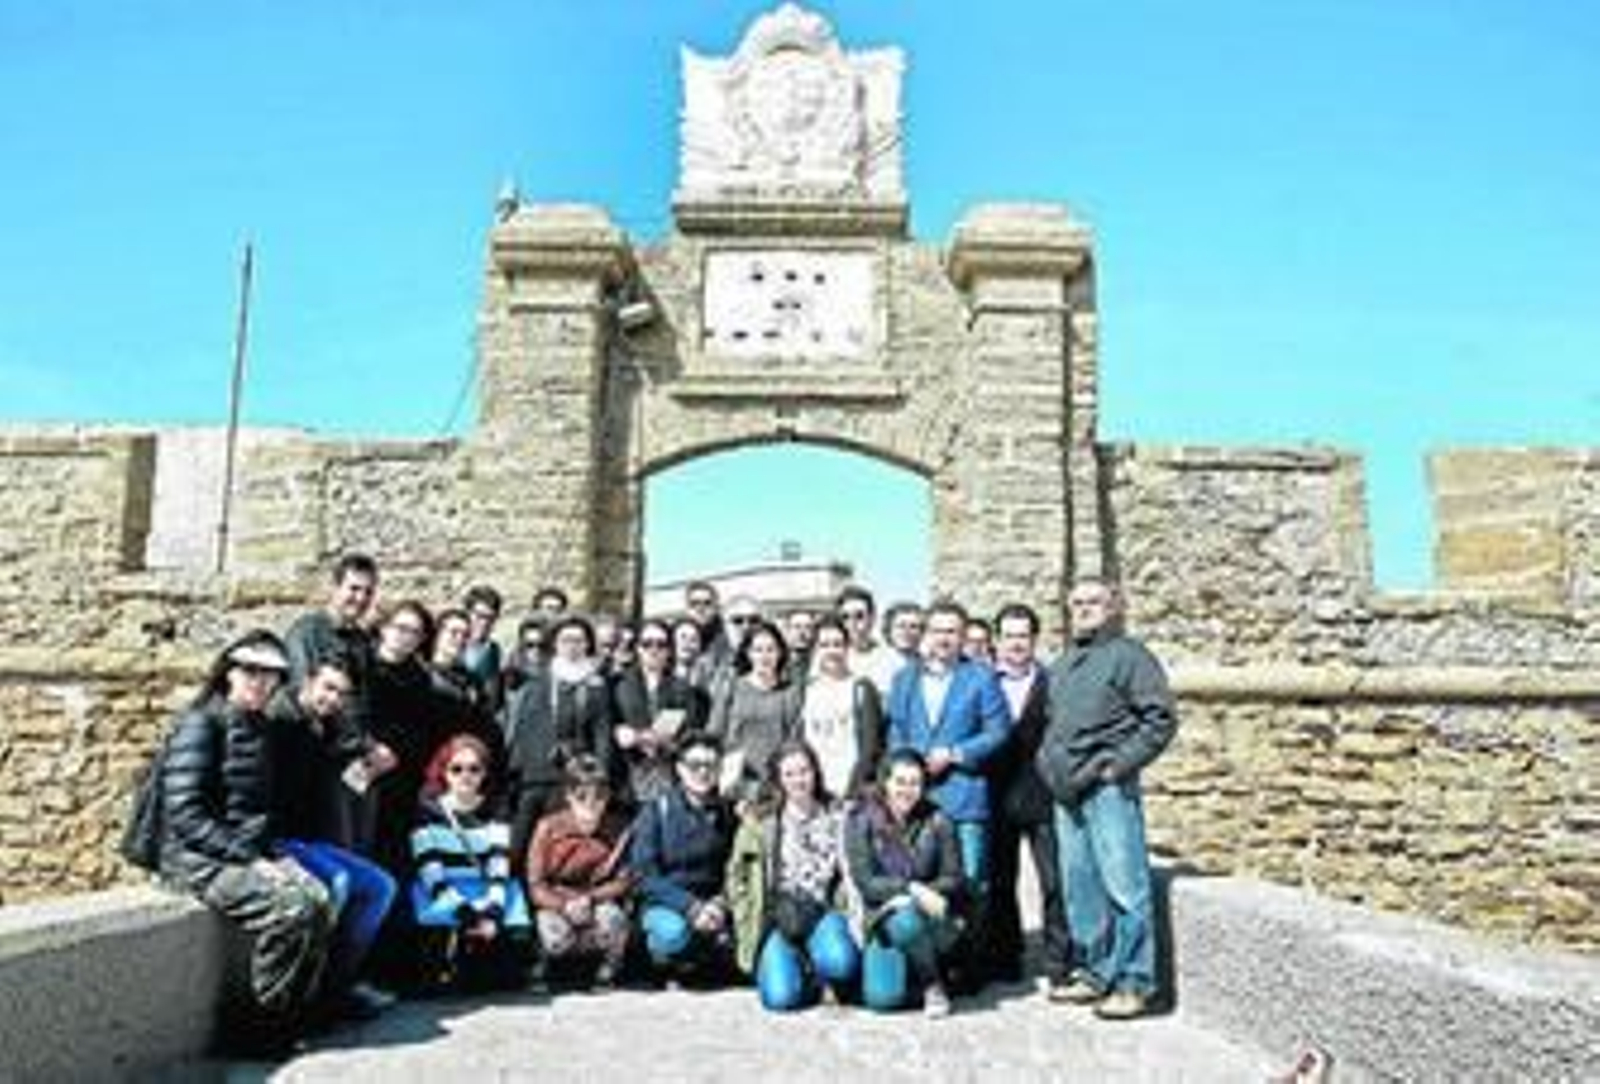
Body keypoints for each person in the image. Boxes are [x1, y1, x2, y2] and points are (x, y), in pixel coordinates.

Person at [158, 631, 334, 1045]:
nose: (261, 682)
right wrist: (251, 860)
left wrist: (271, 854)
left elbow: (254, 812)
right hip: (195, 859)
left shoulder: (259, 726)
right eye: (251, 671)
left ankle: (292, 1015)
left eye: (271, 675)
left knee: (320, 898)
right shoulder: (201, 723)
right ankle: (259, 1027)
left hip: (239, 853)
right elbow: (185, 814)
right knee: (293, 907)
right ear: (228, 673)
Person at [1036, 577, 1178, 1020]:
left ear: (1113, 606)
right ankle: (1096, 972)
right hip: (1067, 793)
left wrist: (1117, 766)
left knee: (1125, 886)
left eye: (1093, 601)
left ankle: (1135, 982)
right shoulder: (1062, 664)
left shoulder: (1131, 656)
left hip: (1107, 789)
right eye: (1076, 602)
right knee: (1082, 891)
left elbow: (1159, 720)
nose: (1083, 609)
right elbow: (1052, 723)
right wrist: (1048, 763)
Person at [884, 599, 1010, 988]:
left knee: (971, 886)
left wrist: (955, 754)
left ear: (961, 636)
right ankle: (930, 967)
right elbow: (896, 731)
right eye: (936, 630)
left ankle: (967, 968)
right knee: (920, 884)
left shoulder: (981, 677)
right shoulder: (905, 678)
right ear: (925, 633)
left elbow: (998, 731)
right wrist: (908, 766)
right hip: (916, 802)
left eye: (952, 631)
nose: (943, 638)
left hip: (964, 797)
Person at [266, 660, 399, 1019]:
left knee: (380, 886)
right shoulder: (278, 721)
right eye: (327, 688)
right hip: (272, 840)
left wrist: (368, 756)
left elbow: (346, 749)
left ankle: (336, 987)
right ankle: (302, 996)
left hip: (307, 838)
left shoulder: (323, 724)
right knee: (336, 884)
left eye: (341, 693)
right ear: (307, 682)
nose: (334, 698)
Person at [726, 741, 859, 1012]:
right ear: (778, 779)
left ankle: (819, 967)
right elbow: (736, 876)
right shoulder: (761, 821)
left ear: (816, 772)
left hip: (823, 911)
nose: (799, 780)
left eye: (804, 771)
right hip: (777, 916)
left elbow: (850, 872)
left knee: (841, 962)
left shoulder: (839, 814)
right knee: (780, 999)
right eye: (789, 774)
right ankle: (797, 966)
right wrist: (747, 918)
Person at [983, 603, 1070, 991]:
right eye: (1010, 636)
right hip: (996, 798)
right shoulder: (982, 683)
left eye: (1023, 636)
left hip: (1044, 797)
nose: (1016, 643)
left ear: (1034, 640)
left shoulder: (1054, 683)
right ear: (998, 641)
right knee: (1001, 883)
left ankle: (1058, 961)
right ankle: (1004, 958)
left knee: (1054, 883)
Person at [844, 748, 963, 1017]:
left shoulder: (939, 820)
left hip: (930, 917)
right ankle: (912, 977)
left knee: (908, 920)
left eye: (915, 783)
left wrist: (920, 896)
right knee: (882, 1000)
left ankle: (932, 982)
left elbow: (954, 878)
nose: (907, 790)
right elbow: (866, 882)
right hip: (881, 918)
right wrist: (910, 888)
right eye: (900, 782)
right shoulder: (861, 819)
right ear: (885, 781)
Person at [410, 734, 532, 991]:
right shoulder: (427, 810)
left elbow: (498, 868)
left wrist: (492, 911)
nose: (466, 775)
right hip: (443, 888)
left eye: (474, 769)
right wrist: (465, 914)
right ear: (444, 772)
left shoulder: (496, 810)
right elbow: (429, 870)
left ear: (484, 774)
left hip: (485, 887)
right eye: (457, 768)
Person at [502, 614, 618, 869]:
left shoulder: (597, 686)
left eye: (579, 640)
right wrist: (517, 775)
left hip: (576, 777)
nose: (572, 646)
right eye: (566, 639)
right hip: (535, 777)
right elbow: (523, 732)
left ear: (588, 645)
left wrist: (598, 778)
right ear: (555, 644)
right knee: (521, 844)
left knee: (562, 848)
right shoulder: (537, 683)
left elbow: (602, 735)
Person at [628, 732, 737, 985]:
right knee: (673, 933)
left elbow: (733, 869)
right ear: (679, 768)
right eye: (694, 765)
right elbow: (643, 876)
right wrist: (691, 907)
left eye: (710, 765)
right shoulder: (657, 810)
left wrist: (720, 903)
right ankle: (663, 960)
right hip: (666, 902)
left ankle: (701, 959)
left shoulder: (727, 814)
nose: (703, 772)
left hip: (712, 904)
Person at [525, 755, 635, 989]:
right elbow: (535, 883)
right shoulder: (548, 827)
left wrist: (591, 899)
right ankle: (546, 965)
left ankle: (608, 969)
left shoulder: (619, 829)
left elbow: (625, 880)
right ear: (569, 796)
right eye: (581, 796)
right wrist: (564, 905)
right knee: (554, 937)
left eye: (600, 796)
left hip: (596, 897)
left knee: (613, 920)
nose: (591, 803)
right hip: (558, 898)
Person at [707, 617, 803, 807]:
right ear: (748, 653)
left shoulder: (790, 692)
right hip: (734, 783)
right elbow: (714, 733)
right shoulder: (732, 687)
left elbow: (794, 739)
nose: (764, 656)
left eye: (770, 649)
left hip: (774, 785)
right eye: (758, 650)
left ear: (780, 653)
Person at [612, 617, 708, 805]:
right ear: (637, 648)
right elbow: (606, 726)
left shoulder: (684, 688)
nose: (654, 650)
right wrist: (618, 733)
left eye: (661, 644)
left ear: (670, 649)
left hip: (669, 776)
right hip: (629, 777)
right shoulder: (617, 684)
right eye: (647, 644)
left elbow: (692, 733)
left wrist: (668, 742)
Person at [283, 553, 379, 733]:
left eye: (368, 592)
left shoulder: (362, 640)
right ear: (335, 588)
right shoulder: (305, 633)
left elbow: (363, 703)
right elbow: (305, 699)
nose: (361, 598)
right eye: (354, 589)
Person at [798, 615, 884, 797]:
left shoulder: (861, 688)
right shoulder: (805, 689)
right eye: (824, 645)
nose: (832, 651)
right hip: (813, 790)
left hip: (852, 791)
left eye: (837, 644)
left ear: (847, 648)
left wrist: (852, 791)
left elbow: (871, 747)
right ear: (815, 649)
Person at [460, 585, 506, 714]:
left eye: (491, 618)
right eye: (479, 616)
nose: (484, 623)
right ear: (467, 613)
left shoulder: (495, 652)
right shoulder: (449, 648)